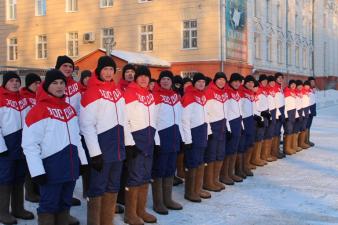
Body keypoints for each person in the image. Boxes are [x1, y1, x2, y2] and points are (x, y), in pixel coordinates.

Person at [22, 69, 88, 225]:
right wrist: (37, 172)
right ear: (46, 86)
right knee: (49, 205)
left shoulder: (69, 109)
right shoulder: (37, 110)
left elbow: (77, 138)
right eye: (54, 83)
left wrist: (83, 161)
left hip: (70, 166)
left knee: (65, 202)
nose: (59, 86)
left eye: (62, 83)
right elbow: (29, 145)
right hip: (51, 168)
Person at [80, 56, 126, 225]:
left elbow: (123, 119)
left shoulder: (117, 91)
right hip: (102, 148)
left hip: (118, 148)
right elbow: (86, 125)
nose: (108, 73)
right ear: (99, 71)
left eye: (111, 70)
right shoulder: (91, 91)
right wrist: (95, 153)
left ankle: (107, 221)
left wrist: (128, 144)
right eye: (105, 69)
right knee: (98, 187)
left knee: (113, 186)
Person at [123, 65, 157, 224]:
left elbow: (153, 119)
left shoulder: (149, 95)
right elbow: (125, 121)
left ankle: (140, 210)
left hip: (149, 140)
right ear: (136, 78)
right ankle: (130, 214)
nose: (144, 79)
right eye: (141, 76)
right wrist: (130, 143)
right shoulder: (130, 93)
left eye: (146, 76)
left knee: (145, 175)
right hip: (136, 140)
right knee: (135, 176)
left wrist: (156, 141)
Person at [0, 72, 34, 225]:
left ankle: (18, 208)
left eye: (16, 81)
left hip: (21, 147)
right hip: (6, 148)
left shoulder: (23, 100)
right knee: (5, 179)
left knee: (19, 178)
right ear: (5, 83)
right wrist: (1, 148)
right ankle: (2, 212)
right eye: (11, 81)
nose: (14, 83)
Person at [151, 70, 183, 215]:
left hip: (174, 137)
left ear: (171, 82)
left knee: (170, 169)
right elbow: (153, 121)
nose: (165, 81)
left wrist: (182, 138)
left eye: (167, 79)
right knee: (159, 170)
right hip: (162, 138)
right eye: (162, 79)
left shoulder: (176, 96)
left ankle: (168, 199)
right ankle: (158, 202)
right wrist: (156, 141)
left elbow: (180, 118)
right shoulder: (155, 96)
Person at [181, 72, 211, 202]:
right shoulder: (189, 96)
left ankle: (197, 189)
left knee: (200, 161)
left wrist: (208, 132)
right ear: (194, 83)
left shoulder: (203, 95)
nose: (201, 84)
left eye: (203, 82)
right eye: (198, 82)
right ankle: (190, 192)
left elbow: (206, 115)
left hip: (202, 131)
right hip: (193, 133)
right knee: (192, 163)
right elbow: (184, 120)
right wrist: (187, 139)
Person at [204, 72, 228, 191]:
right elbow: (206, 112)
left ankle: (215, 179)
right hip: (213, 126)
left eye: (223, 80)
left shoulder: (224, 93)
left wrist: (227, 127)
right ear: (215, 80)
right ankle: (208, 182)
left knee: (220, 153)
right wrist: (209, 130)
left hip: (222, 126)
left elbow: (225, 111)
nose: (221, 82)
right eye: (219, 79)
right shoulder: (209, 92)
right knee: (211, 154)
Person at [20, 73, 42, 203]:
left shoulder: (40, 97)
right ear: (29, 84)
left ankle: (38, 190)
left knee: (39, 164)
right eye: (35, 83)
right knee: (29, 166)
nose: (38, 85)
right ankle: (30, 192)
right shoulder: (23, 97)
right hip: (28, 134)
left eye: (40, 83)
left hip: (39, 135)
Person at [221, 73, 244, 184]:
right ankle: (224, 174)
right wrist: (228, 128)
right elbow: (226, 111)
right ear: (230, 82)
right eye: (235, 81)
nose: (237, 83)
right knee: (228, 149)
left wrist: (242, 125)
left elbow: (239, 110)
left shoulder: (237, 93)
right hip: (230, 123)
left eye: (239, 82)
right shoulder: (227, 92)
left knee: (234, 149)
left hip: (237, 122)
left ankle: (231, 172)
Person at [238, 75, 256, 177]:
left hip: (250, 120)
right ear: (245, 83)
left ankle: (246, 165)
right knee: (242, 145)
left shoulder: (251, 93)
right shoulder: (242, 93)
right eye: (248, 82)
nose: (250, 84)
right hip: (243, 121)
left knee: (249, 144)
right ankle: (239, 169)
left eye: (252, 82)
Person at [250, 75, 270, 166]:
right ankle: (252, 159)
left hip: (260, 117)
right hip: (256, 119)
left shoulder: (257, 94)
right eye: (255, 87)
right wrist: (261, 115)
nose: (256, 88)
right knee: (255, 139)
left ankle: (257, 157)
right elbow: (255, 108)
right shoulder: (253, 95)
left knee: (260, 138)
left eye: (257, 87)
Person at [273, 72, 286, 159]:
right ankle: (274, 151)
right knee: (276, 131)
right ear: (276, 79)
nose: (280, 79)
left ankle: (276, 149)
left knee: (278, 131)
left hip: (281, 111)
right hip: (277, 113)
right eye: (279, 78)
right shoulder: (274, 88)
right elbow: (274, 102)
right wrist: (278, 113)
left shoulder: (280, 88)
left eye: (281, 78)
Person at [283, 80, 298, 155]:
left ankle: (289, 147)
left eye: (294, 84)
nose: (293, 85)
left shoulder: (294, 93)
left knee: (291, 129)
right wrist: (285, 115)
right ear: (289, 85)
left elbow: (295, 105)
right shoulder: (286, 92)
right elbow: (284, 105)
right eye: (292, 84)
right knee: (288, 129)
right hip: (288, 113)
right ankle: (286, 148)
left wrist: (296, 115)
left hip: (293, 112)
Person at [306, 77, 316, 146]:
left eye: (313, 81)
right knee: (306, 126)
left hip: (312, 111)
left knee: (309, 126)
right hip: (308, 111)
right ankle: (305, 141)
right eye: (311, 82)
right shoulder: (307, 90)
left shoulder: (312, 90)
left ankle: (307, 140)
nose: (313, 83)